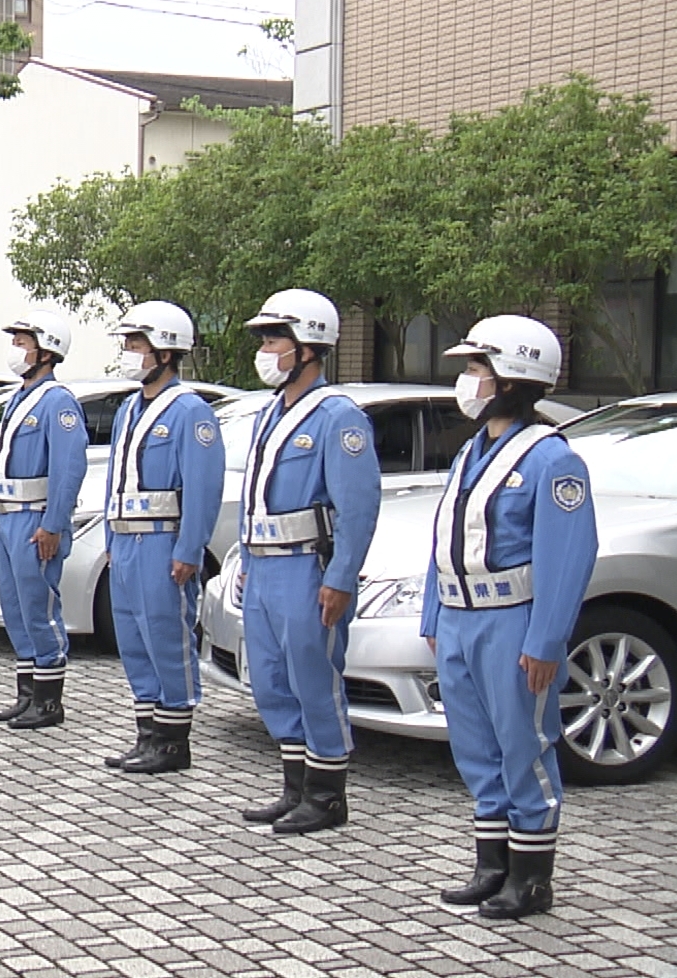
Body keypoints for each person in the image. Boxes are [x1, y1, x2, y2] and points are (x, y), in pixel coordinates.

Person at [422, 316, 595, 921]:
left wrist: (546, 640)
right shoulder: (472, 450)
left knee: (524, 746)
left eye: (477, 369)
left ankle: (531, 876)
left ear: (515, 378)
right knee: (476, 749)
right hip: (462, 619)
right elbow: (447, 534)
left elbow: (568, 556)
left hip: (512, 622)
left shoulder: (552, 459)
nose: (467, 381)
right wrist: (433, 613)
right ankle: (491, 865)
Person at [233, 290, 384, 828]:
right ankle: (293, 785)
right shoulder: (270, 413)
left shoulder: (337, 417)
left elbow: (358, 506)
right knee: (272, 679)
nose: (266, 349)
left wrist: (341, 576)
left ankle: (327, 793)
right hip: (266, 563)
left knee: (314, 678)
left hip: (307, 566)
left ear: (307, 347)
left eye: (275, 339)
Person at [100, 300, 226, 773]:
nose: (130, 352)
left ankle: (173, 742)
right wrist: (112, 538)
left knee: (166, 637)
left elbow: (203, 486)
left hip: (162, 540)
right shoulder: (130, 408)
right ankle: (146, 733)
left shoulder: (190, 411)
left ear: (167, 351)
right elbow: (117, 476)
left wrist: (190, 548)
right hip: (127, 539)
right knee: (133, 639)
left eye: (137, 344)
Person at [0, 311, 89, 729]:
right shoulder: (19, 397)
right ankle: (27, 691)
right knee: (15, 607)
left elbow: (68, 469)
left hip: (35, 520)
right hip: (10, 517)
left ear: (46, 350)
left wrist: (54, 524)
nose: (16, 350)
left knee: (39, 606)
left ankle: (48, 699)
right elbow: (2, 464)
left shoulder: (57, 401)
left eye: (23, 342)